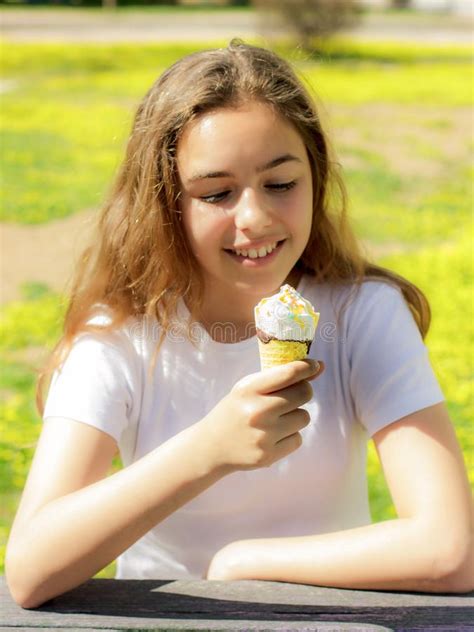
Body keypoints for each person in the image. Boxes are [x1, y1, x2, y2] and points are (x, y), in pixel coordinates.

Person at [6, 39, 473, 608]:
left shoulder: (360, 315)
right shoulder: (118, 339)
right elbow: (30, 569)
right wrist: (207, 450)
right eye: (216, 193)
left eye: (281, 184)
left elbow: (451, 549)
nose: (254, 218)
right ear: (165, 202)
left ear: (317, 178)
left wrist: (242, 562)